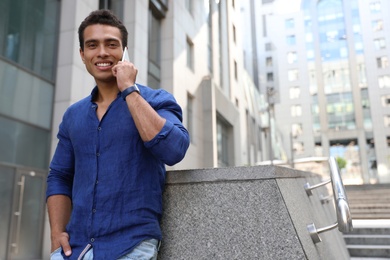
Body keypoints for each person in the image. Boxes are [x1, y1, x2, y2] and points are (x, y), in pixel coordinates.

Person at [46, 9, 190, 259]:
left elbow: (174, 150)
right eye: (92, 45)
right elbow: (59, 175)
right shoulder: (73, 115)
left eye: (111, 44)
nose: (102, 52)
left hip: (131, 247)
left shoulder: (156, 101)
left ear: (124, 52)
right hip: (75, 249)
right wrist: (57, 232)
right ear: (82, 54)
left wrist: (129, 90)